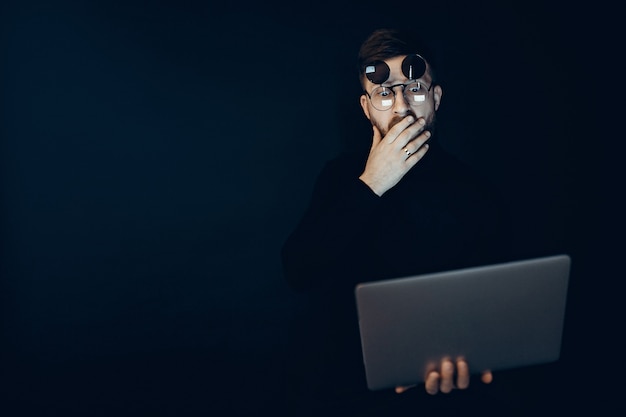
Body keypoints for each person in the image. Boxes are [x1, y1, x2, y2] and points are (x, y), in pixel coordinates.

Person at [281, 28, 513, 416]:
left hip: (447, 395)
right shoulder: (340, 179)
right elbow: (298, 272)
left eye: (414, 87)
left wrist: (471, 356)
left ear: (435, 99)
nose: (402, 104)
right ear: (367, 107)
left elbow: (498, 303)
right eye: (385, 92)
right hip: (348, 393)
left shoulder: (477, 193)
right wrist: (372, 183)